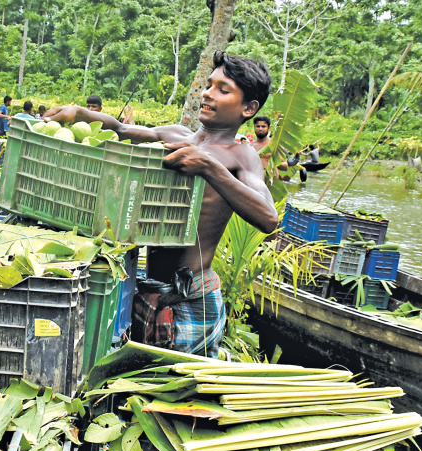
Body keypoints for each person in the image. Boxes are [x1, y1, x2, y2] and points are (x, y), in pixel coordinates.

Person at [44, 52, 278, 357]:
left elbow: (269, 218)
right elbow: (122, 131)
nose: (208, 93)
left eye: (223, 89)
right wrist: (81, 114)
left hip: (190, 299)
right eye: (209, 85)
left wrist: (209, 168)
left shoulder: (240, 156)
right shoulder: (177, 135)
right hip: (151, 289)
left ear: (249, 109)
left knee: (182, 395)